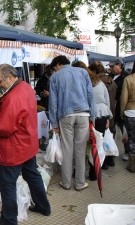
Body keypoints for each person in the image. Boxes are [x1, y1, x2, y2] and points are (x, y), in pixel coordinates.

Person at [0, 64, 51, 225]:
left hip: (15, 147)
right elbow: (16, 115)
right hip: (27, 143)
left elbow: (5, 128)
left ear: (9, 77)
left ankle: (9, 220)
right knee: (32, 175)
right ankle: (44, 206)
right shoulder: (25, 87)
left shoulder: (13, 96)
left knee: (8, 184)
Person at [49, 56, 95, 191]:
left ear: (58, 64)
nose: (54, 70)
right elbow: (90, 95)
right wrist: (93, 116)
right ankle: (80, 183)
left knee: (67, 149)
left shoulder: (55, 77)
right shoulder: (83, 72)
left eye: (54, 68)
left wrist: (54, 124)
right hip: (83, 114)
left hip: (66, 116)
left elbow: (53, 102)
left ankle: (66, 182)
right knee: (80, 150)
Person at [73, 61, 113, 179]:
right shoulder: (99, 81)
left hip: (88, 115)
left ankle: (79, 171)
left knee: (83, 144)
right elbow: (107, 100)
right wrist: (108, 118)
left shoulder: (81, 82)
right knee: (97, 144)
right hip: (103, 114)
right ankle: (94, 172)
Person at [89, 61, 118, 168]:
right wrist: (109, 117)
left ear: (94, 71)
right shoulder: (111, 81)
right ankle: (105, 162)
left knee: (94, 142)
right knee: (102, 140)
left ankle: (95, 168)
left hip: (95, 113)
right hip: (106, 113)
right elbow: (108, 101)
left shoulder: (94, 82)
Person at [120, 55, 135, 175]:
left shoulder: (128, 79)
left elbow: (123, 99)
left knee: (132, 140)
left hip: (131, 112)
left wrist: (122, 113)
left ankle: (132, 166)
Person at [109, 58, 130, 160]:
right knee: (111, 131)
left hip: (122, 108)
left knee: (125, 132)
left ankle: (127, 152)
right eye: (110, 67)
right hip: (112, 108)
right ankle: (110, 152)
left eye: (113, 66)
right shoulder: (110, 76)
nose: (111, 68)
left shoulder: (126, 76)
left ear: (119, 65)